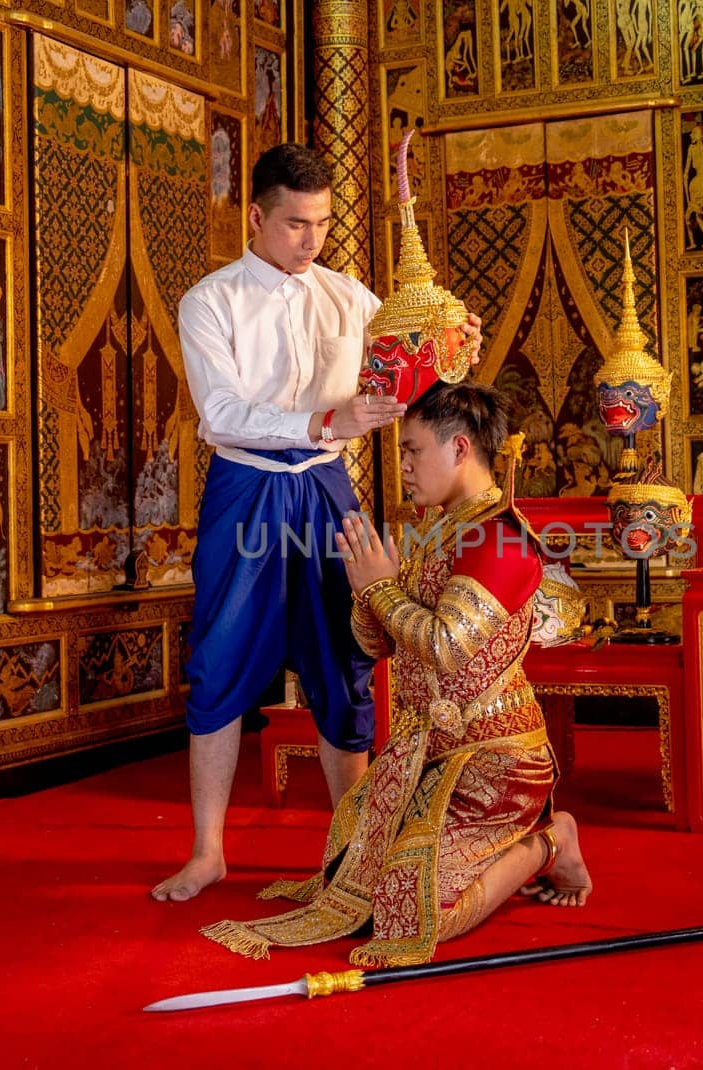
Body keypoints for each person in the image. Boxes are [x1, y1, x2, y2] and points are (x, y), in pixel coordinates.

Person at [202, 382, 592, 965]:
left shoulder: (502, 539)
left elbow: (443, 646)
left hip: (495, 761)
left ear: (460, 449)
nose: (403, 466)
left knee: (418, 913)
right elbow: (379, 642)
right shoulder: (435, 529)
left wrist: (380, 587)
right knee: (349, 878)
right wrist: (368, 591)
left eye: (412, 452)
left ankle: (549, 839)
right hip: (425, 753)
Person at [154, 144, 406, 903]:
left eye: (323, 224)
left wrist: (446, 333)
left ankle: (352, 848)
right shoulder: (210, 301)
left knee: (344, 658)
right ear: (257, 216)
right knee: (220, 661)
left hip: (327, 489)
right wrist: (330, 416)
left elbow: (406, 359)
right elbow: (224, 412)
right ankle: (207, 852)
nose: (312, 240)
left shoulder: (349, 296)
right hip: (245, 489)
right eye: (297, 224)